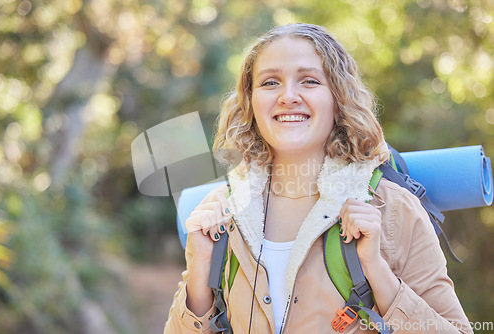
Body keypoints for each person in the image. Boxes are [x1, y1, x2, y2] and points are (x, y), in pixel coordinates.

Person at [164, 23, 472, 333]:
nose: (288, 96)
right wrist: (199, 277)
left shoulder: (392, 209)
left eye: (309, 81)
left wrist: (378, 273)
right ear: (251, 101)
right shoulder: (221, 212)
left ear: (338, 98)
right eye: (270, 82)